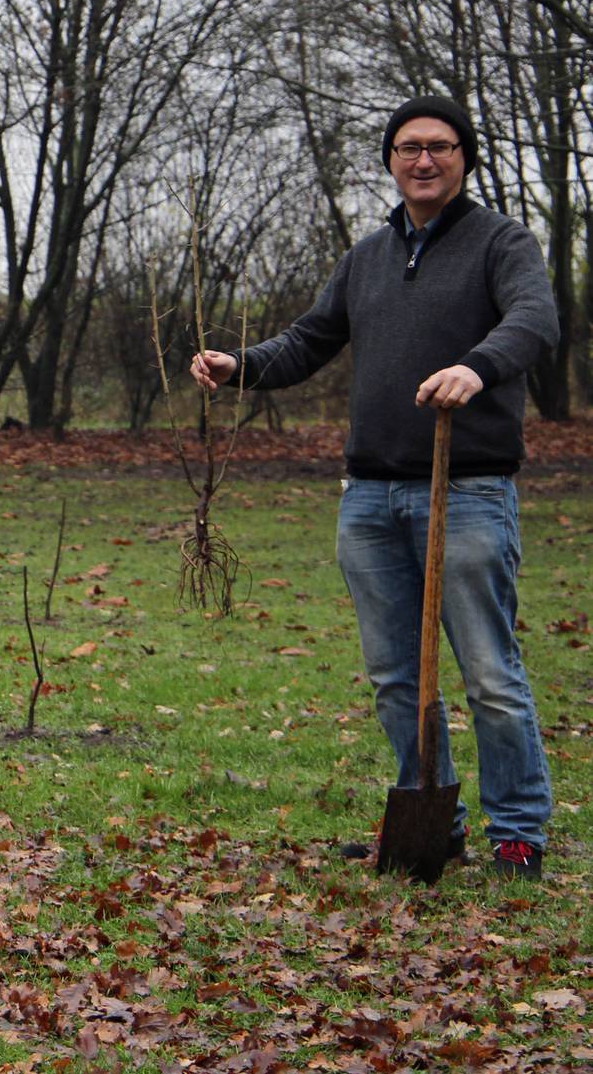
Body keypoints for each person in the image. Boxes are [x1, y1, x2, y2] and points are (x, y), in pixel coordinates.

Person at [190, 96, 558, 879]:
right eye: (407, 147)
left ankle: (518, 830)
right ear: (389, 159)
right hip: (370, 498)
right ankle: (430, 818)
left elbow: (536, 319)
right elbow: (310, 340)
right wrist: (240, 363)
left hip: (467, 490)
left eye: (440, 146)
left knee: (489, 674)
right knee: (397, 676)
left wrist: (477, 365)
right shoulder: (366, 257)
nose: (423, 160)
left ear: (466, 156)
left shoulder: (503, 243)